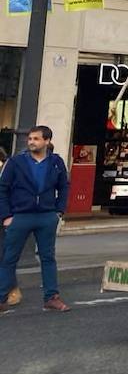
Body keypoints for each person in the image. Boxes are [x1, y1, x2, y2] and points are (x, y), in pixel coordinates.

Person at [0, 126, 71, 312]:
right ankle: (1, 298)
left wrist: (59, 211)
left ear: (47, 141)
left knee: (48, 257)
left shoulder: (56, 162)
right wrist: (6, 216)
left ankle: (51, 297)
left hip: (47, 216)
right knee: (9, 258)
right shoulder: (16, 162)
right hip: (20, 216)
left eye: (36, 139)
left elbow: (64, 186)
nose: (31, 142)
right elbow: (2, 189)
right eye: (30, 139)